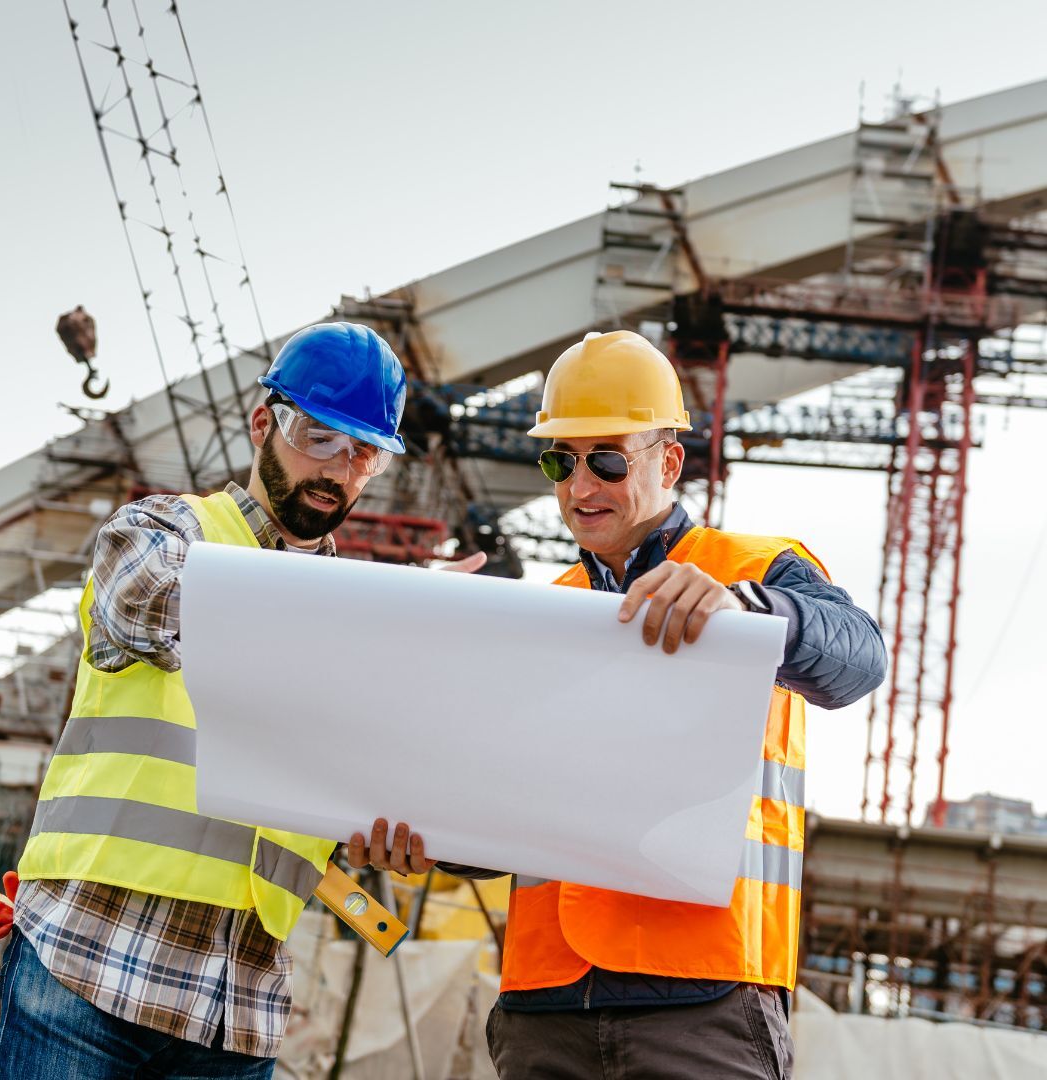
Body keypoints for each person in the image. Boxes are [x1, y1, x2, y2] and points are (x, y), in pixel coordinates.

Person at [354, 329, 887, 1079]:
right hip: (545, 1007)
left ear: (668, 461)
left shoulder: (754, 573)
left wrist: (752, 610)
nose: (579, 488)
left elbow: (859, 660)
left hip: (702, 1000)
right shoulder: (545, 615)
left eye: (606, 460)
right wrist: (425, 841)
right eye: (559, 462)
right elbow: (508, 817)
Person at [0, 322, 476, 1078]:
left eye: (362, 454)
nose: (338, 470)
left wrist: (410, 836)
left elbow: (362, 790)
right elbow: (149, 608)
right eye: (319, 438)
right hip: (89, 965)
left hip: (236, 1011)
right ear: (263, 424)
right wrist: (383, 617)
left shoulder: (365, 624)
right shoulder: (164, 528)